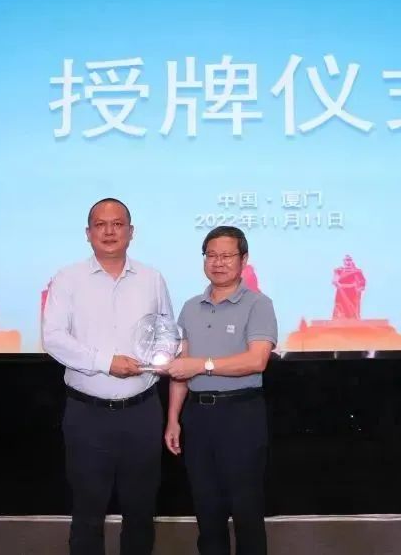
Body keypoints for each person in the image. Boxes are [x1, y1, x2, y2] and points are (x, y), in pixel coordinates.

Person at [42, 198, 173, 555]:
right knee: (88, 512)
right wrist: (106, 362)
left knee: (141, 511)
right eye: (100, 224)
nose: (109, 231)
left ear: (131, 232)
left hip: (142, 412)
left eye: (118, 224)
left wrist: (165, 354)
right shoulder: (68, 279)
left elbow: (165, 330)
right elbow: (53, 338)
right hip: (88, 415)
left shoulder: (151, 278)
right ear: (88, 233)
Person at [162, 225, 277, 555]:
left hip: (240, 414)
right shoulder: (190, 307)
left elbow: (257, 360)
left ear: (244, 259)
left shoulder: (258, 304)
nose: (218, 262)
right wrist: (173, 419)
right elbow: (181, 367)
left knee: (246, 509)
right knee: (206, 508)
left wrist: (203, 365)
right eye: (211, 255)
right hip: (198, 416)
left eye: (227, 255)